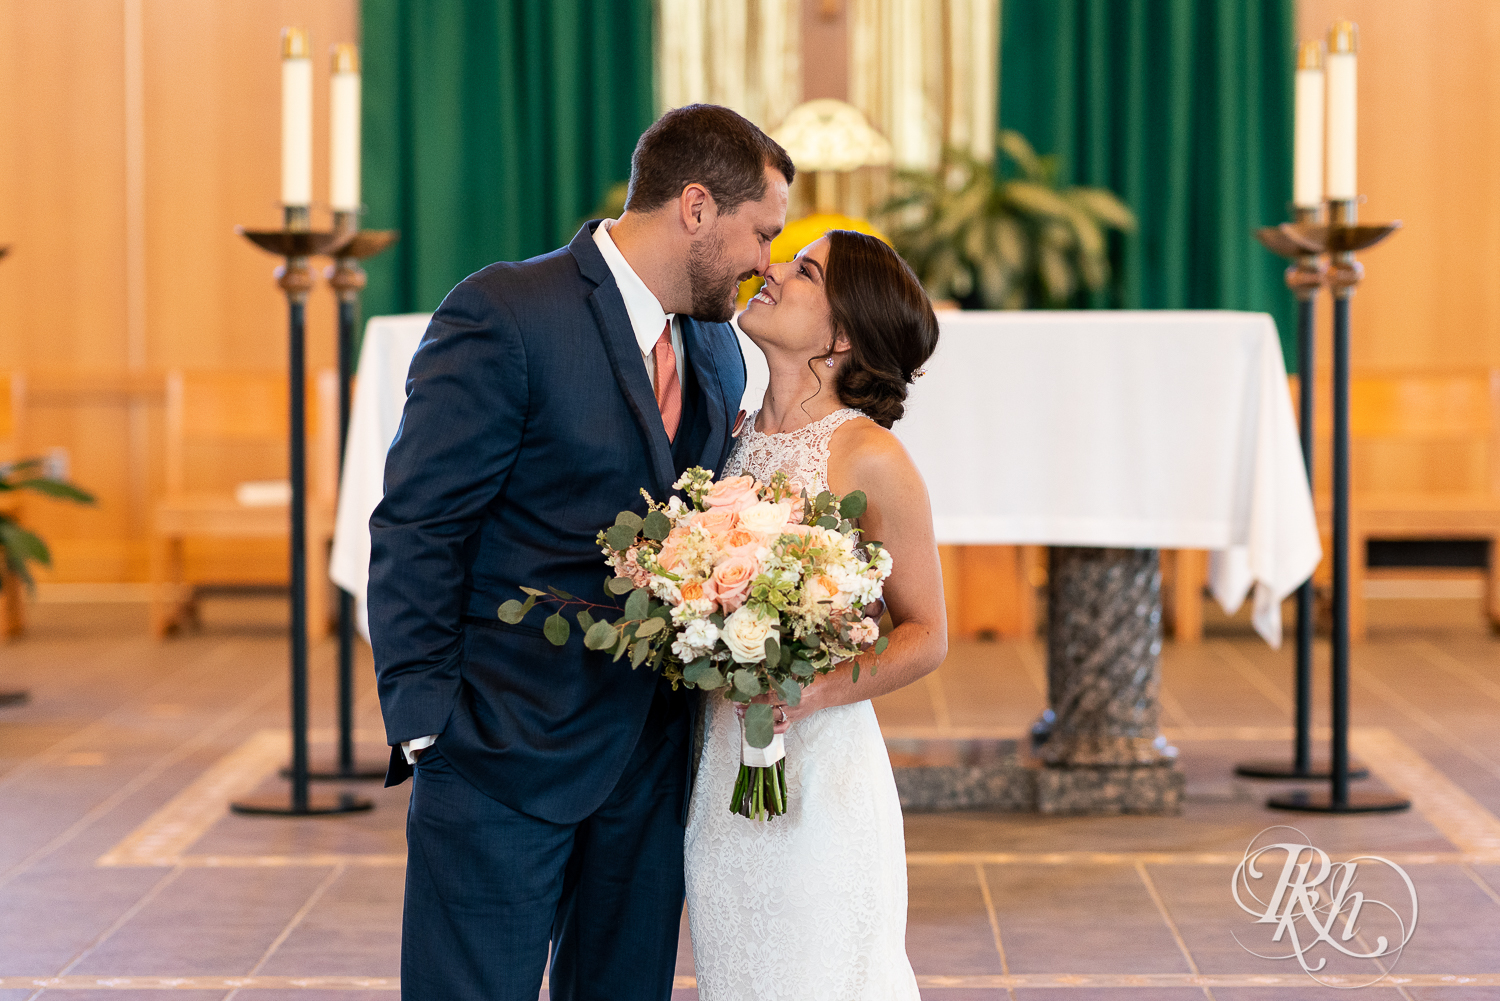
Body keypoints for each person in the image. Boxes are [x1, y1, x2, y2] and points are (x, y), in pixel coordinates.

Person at [368, 104, 793, 1001]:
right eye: (764, 232)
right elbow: (420, 526)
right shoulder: (505, 312)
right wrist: (427, 722)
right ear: (695, 208)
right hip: (499, 746)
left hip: (648, 761)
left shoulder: (715, 347)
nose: (767, 262)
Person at [684, 230, 947, 1000]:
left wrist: (812, 689)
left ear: (840, 336)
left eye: (806, 271)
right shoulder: (725, 433)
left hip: (818, 779)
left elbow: (927, 633)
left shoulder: (869, 457)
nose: (772, 269)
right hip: (720, 771)